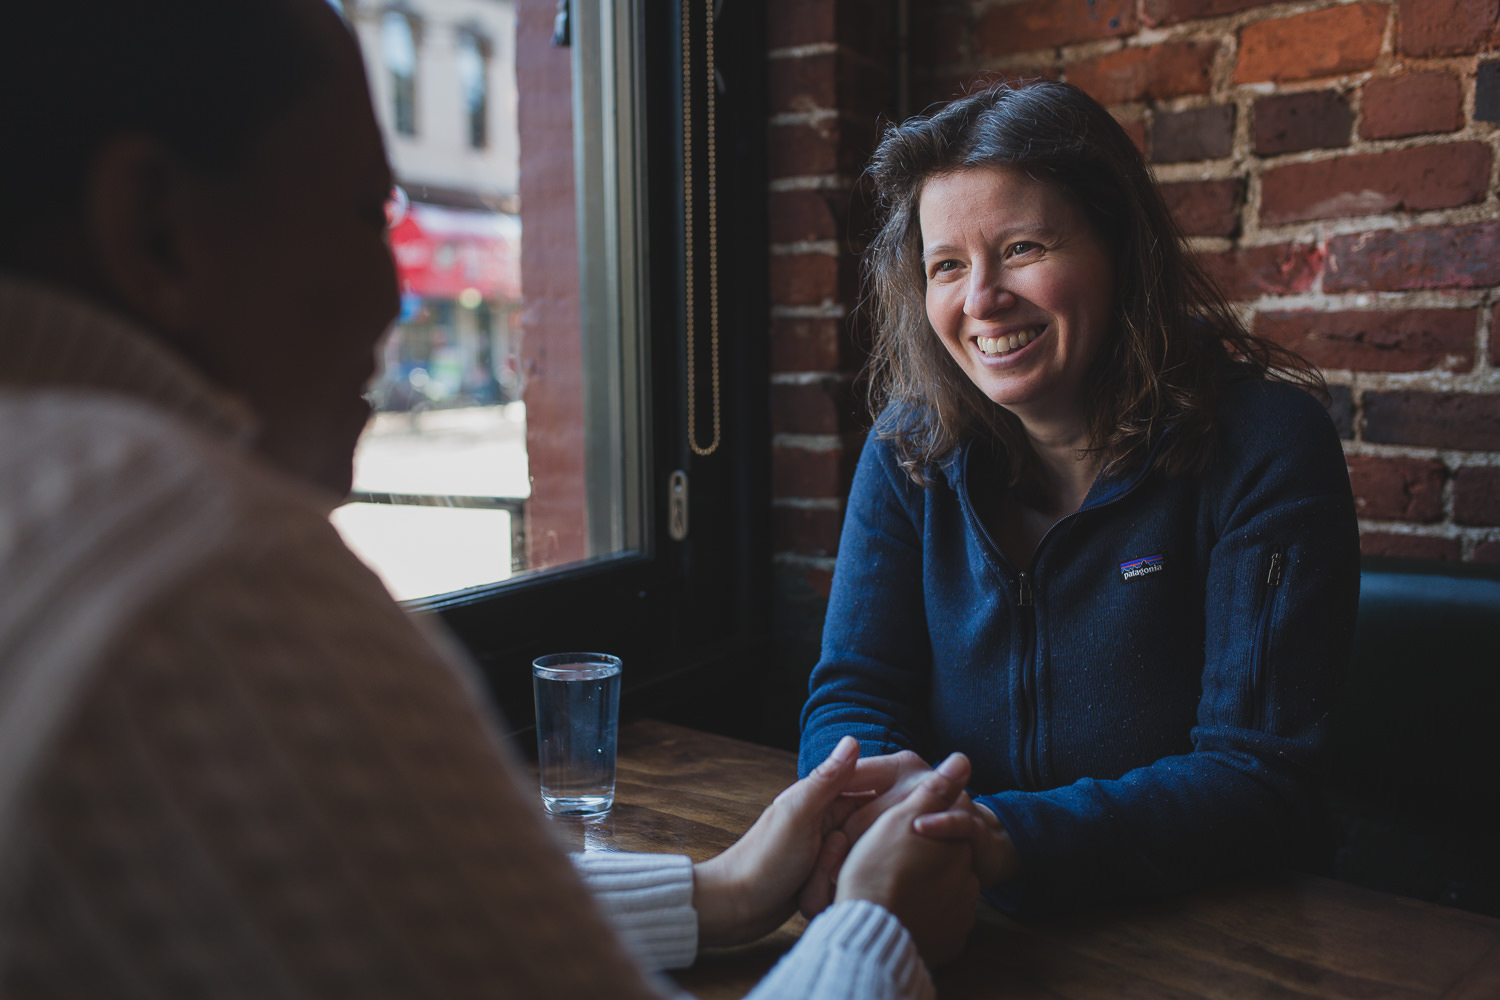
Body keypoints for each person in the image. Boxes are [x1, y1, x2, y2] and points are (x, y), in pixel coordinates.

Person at [0, 2, 979, 996]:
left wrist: (716, 890)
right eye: (362, 215)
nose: (395, 294)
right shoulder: (208, 572)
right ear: (157, 230)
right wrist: (872, 924)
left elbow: (376, 901)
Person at [798, 80, 1362, 915]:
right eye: (947, 265)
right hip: (967, 909)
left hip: (1212, 936)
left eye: (1023, 248)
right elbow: (856, 692)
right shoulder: (907, 452)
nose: (981, 299)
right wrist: (877, 804)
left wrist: (996, 834)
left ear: (1120, 249)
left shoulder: (1266, 447)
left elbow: (1259, 777)